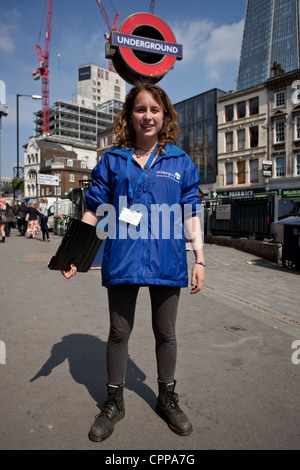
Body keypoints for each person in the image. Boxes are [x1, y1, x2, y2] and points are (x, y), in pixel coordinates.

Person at [62, 82, 205, 442]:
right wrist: (74, 256)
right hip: (123, 257)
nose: (148, 116)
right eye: (141, 109)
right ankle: (114, 401)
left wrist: (200, 259)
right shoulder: (112, 160)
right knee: (118, 333)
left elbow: (191, 212)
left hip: (167, 258)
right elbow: (94, 209)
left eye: (155, 110)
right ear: (129, 115)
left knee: (166, 332)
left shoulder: (179, 160)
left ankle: (167, 397)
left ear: (165, 116)